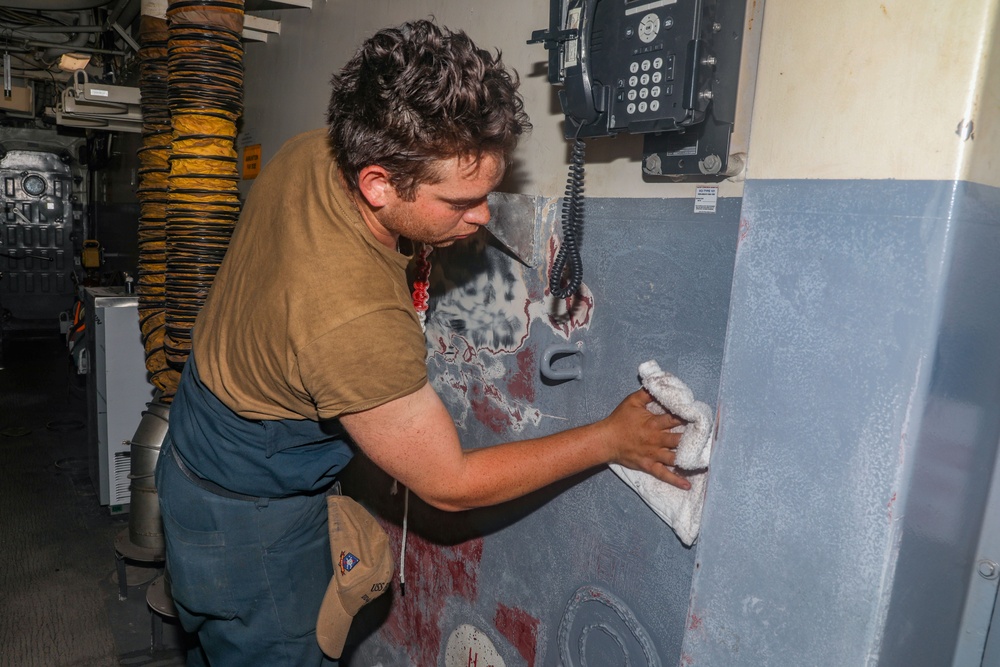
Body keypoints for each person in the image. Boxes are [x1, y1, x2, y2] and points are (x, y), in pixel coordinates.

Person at [155, 19, 691, 667]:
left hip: (197, 448)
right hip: (249, 522)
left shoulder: (309, 152)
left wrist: (417, 242)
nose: (484, 216)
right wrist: (610, 439)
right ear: (378, 184)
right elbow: (450, 482)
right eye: (461, 201)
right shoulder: (353, 322)